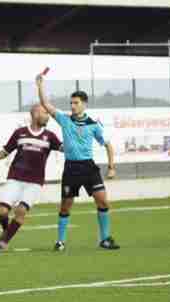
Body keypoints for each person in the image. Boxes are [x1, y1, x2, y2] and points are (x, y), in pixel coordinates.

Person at [36, 75, 120, 251]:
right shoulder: (64, 119)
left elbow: (108, 146)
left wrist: (111, 168)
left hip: (89, 167)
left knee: (103, 202)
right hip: (71, 168)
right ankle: (60, 241)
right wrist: (40, 85)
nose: (72, 106)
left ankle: (104, 239)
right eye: (71, 103)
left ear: (84, 104)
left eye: (76, 103)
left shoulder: (94, 125)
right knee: (66, 205)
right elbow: (46, 104)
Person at [0, 104, 62, 252]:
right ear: (35, 114)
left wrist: (73, 140)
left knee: (21, 211)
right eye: (45, 113)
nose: (47, 116)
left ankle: (4, 241)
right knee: (2, 212)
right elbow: (6, 150)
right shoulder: (20, 133)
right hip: (15, 178)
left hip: (34, 182)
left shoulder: (50, 136)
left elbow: (63, 148)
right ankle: (6, 230)